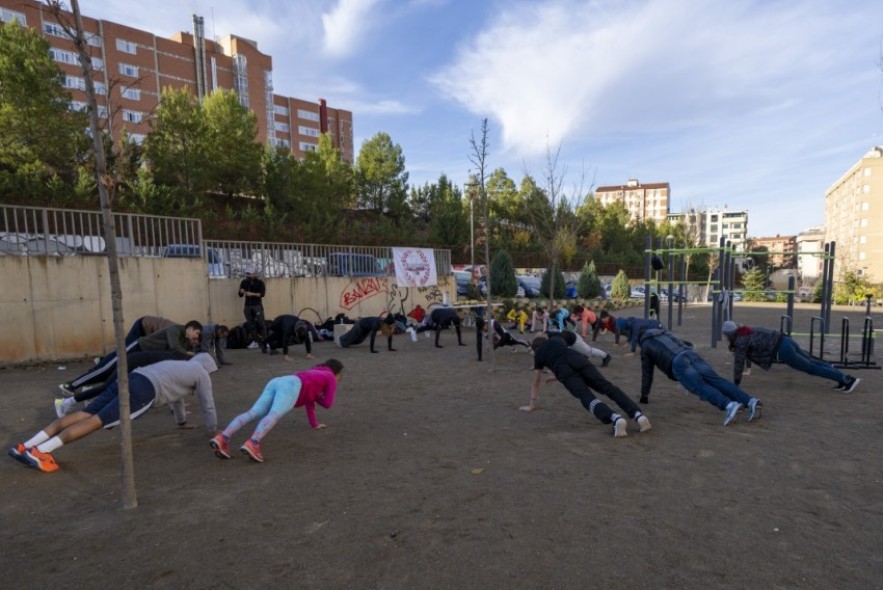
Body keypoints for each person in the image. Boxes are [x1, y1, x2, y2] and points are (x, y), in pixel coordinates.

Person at [9, 353, 218, 473]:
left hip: (132, 377)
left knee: (85, 414)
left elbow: (177, 398)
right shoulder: (202, 374)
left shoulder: (181, 365)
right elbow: (207, 404)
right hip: (144, 390)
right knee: (95, 421)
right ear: (209, 369)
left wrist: (181, 422)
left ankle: (25, 446)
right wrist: (214, 431)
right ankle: (42, 452)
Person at [210, 359, 343, 463]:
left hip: (278, 381)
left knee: (253, 412)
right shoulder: (330, 377)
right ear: (337, 373)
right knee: (274, 414)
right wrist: (320, 395)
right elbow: (328, 404)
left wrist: (314, 424)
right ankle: (253, 443)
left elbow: (309, 402)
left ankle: (223, 437)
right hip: (292, 387)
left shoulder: (314, 372)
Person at [522, 333, 651, 437]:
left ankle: (615, 418)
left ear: (535, 349)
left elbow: (536, 381)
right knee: (607, 387)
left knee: (585, 396)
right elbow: (563, 354)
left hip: (564, 370)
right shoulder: (556, 339)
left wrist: (532, 404)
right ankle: (638, 415)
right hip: (578, 359)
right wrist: (556, 376)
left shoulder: (538, 354)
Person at [639, 327, 762, 425]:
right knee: (716, 380)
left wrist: (644, 395)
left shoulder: (645, 345)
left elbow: (647, 372)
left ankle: (729, 405)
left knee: (700, 387)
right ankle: (749, 401)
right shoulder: (664, 333)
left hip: (677, 362)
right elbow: (686, 343)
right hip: (690, 353)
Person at [57, 321, 203, 397]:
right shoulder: (176, 330)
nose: (195, 337)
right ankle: (71, 385)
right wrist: (189, 355)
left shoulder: (185, 342)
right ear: (189, 328)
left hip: (142, 357)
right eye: (196, 333)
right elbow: (174, 348)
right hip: (138, 347)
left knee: (113, 375)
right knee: (106, 368)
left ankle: (86, 387)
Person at [722, 320, 860, 392]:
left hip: (783, 350)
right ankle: (842, 378)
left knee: (811, 368)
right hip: (787, 341)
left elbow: (739, 363)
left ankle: (846, 380)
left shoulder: (740, 341)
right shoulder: (747, 330)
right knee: (812, 362)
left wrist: (736, 383)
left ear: (729, 334)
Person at [238, 268, 267, 350]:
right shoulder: (244, 282)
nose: (248, 275)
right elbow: (240, 295)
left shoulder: (260, 283)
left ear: (254, 273)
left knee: (261, 324)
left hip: (257, 305)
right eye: (247, 274)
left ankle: (265, 341)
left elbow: (262, 294)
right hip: (247, 305)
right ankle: (255, 341)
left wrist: (252, 294)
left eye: (249, 273)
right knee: (251, 324)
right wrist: (241, 291)